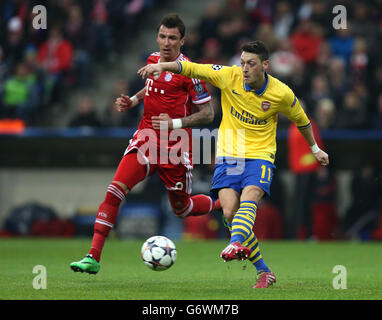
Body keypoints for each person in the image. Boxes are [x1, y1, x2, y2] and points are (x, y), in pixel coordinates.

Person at [138, 40, 329, 288]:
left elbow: (302, 120)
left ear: (265, 65)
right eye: (242, 63)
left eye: (251, 63)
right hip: (229, 154)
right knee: (229, 211)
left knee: (249, 197)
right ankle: (264, 271)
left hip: (260, 155)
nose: (245, 68)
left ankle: (235, 242)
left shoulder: (281, 93)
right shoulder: (230, 76)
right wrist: (163, 66)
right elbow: (193, 68)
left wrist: (314, 148)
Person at [70, 14, 220, 274]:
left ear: (182, 41)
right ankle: (93, 257)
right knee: (115, 190)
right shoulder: (152, 59)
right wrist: (133, 100)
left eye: (172, 38)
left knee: (181, 209)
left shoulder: (191, 72)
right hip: (146, 139)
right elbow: (151, 87)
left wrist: (174, 123)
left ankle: (223, 203)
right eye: (162, 36)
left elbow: (208, 114)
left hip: (175, 147)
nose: (166, 42)